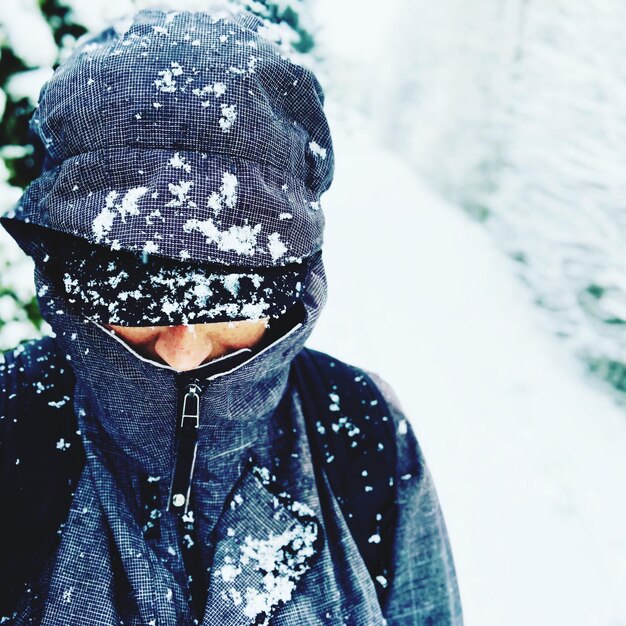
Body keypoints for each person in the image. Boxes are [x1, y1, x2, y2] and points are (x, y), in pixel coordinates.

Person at [0, 6, 463, 625]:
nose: (182, 347)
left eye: (231, 292)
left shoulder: (361, 434)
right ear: (67, 280)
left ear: (291, 281)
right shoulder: (10, 423)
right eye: (131, 290)